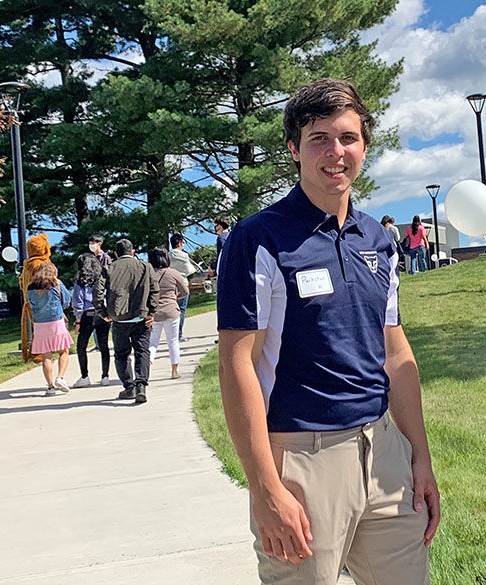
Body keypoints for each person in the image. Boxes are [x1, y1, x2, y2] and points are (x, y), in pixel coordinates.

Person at [217, 78, 440, 585]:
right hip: (301, 460)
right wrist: (265, 488)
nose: (335, 152)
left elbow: (396, 353)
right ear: (294, 148)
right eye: (319, 138)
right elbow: (238, 367)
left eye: (348, 138)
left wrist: (418, 459)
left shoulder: (378, 239)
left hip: (383, 454)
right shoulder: (259, 238)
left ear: (363, 147)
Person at [95, 239, 159, 404]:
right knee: (142, 351)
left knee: (121, 354)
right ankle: (141, 386)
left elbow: (97, 292)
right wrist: (151, 311)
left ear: (116, 254)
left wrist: (103, 312)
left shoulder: (109, 268)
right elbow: (154, 289)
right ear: (133, 251)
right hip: (141, 316)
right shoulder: (145, 267)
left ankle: (129, 386)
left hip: (119, 317)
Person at [26, 261, 73, 396]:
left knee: (46, 356)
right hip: (56, 321)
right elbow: (66, 300)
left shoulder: (30, 287)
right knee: (63, 351)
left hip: (39, 324)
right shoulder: (55, 284)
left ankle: (50, 387)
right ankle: (60, 377)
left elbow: (30, 304)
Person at [71, 252, 111, 387]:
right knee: (103, 345)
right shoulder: (101, 277)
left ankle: (84, 376)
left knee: (81, 346)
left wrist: (77, 321)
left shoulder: (80, 280)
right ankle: (105, 375)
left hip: (87, 315)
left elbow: (78, 302)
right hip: (102, 312)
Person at [148, 246, 189, 379]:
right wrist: (174, 296)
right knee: (173, 341)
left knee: (153, 342)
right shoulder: (173, 273)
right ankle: (174, 370)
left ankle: (148, 364)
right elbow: (185, 291)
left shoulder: (148, 274)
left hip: (154, 312)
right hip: (171, 310)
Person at [19, 233, 52, 363]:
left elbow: (22, 283)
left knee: (38, 328)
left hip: (30, 302)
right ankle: (40, 353)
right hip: (41, 302)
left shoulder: (27, 265)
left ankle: (36, 351)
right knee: (44, 329)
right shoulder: (40, 265)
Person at [168, 233, 200, 342]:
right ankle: (179, 334)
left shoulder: (167, 255)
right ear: (180, 243)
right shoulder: (184, 255)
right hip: (182, 283)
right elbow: (189, 270)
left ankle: (172, 334)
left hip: (170, 284)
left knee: (172, 310)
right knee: (181, 310)